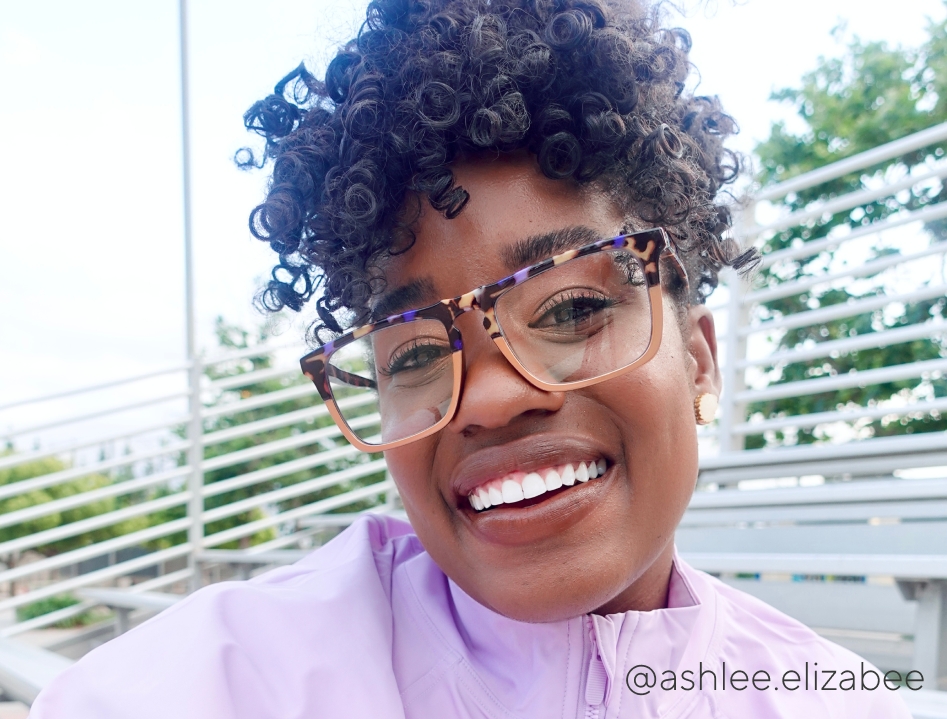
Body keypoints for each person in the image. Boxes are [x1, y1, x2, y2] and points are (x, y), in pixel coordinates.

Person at [31, 0, 914, 716]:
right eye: (413, 353)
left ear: (699, 362)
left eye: (569, 306)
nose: (486, 400)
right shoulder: (218, 686)